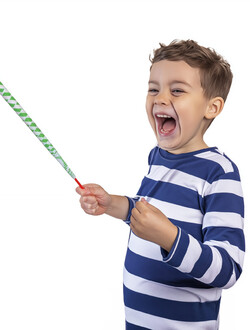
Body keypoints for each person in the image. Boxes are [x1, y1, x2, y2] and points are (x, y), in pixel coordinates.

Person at [76, 40, 245, 329]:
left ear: (212, 107)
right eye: (154, 88)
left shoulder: (219, 173)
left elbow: (227, 269)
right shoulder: (158, 157)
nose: (160, 98)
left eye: (176, 90)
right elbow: (144, 211)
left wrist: (168, 237)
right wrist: (112, 203)